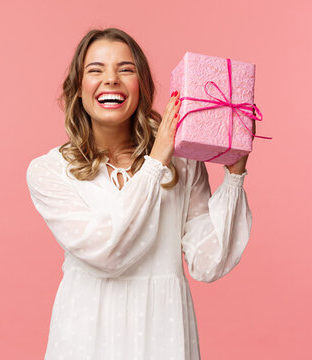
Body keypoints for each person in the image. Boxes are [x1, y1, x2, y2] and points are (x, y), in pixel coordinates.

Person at [25, 27, 254, 359]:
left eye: (126, 69)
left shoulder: (184, 164)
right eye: (96, 70)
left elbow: (208, 264)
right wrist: (155, 161)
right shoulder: (49, 171)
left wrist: (234, 174)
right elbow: (107, 254)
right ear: (78, 89)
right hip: (86, 334)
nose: (111, 79)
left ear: (141, 86)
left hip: (164, 331)